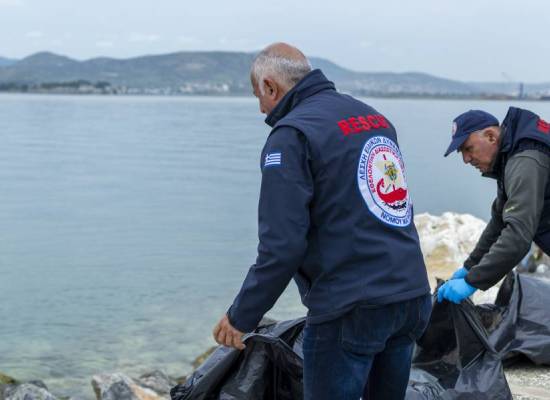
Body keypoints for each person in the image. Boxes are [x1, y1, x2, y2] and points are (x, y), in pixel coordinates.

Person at [212, 42, 431, 400]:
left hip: (351, 307)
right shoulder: (375, 119)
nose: (262, 109)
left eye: (259, 97)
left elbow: (282, 247)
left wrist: (241, 316)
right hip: (411, 296)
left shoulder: (291, 135)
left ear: (271, 86)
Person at [438, 108, 550, 304]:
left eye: (468, 148)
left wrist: (472, 282)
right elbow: (500, 221)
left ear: (490, 136)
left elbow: (518, 235)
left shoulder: (525, 161)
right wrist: (470, 267)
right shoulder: (510, 155)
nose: (465, 159)